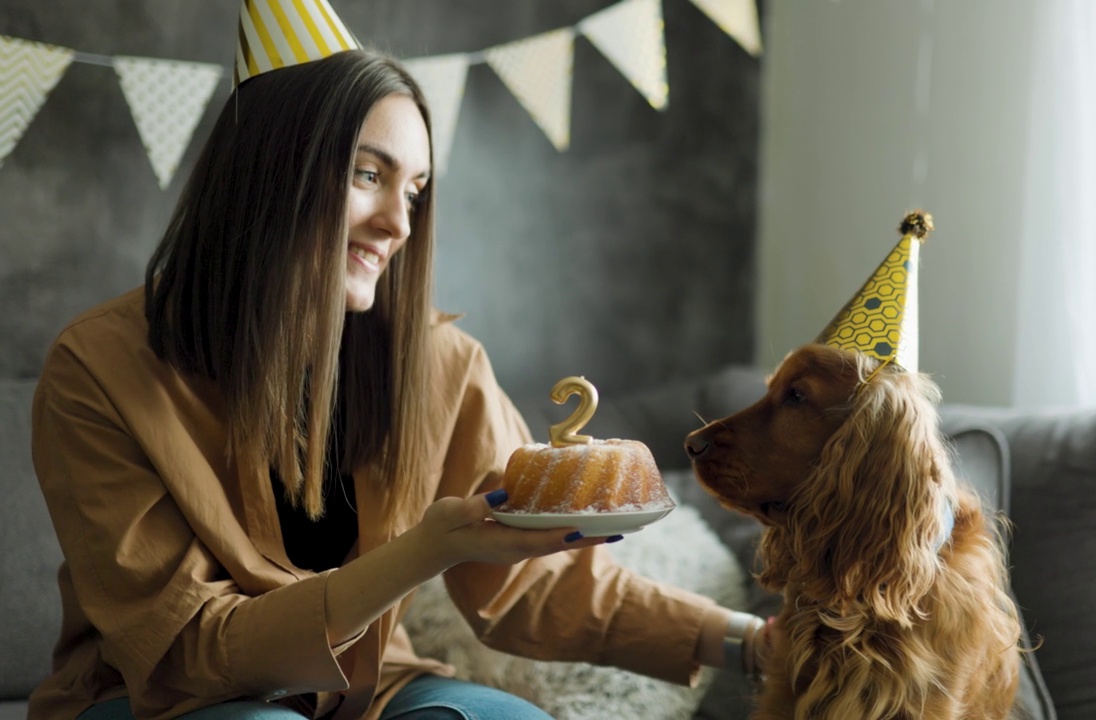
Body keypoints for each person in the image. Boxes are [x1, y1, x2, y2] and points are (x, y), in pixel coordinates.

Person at [26, 12, 768, 720]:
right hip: (153, 700)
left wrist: (750, 643)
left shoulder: (442, 366)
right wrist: (422, 552)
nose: (399, 223)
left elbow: (539, 586)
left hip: (362, 694)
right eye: (367, 175)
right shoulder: (97, 368)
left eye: (414, 189)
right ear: (267, 172)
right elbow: (188, 649)